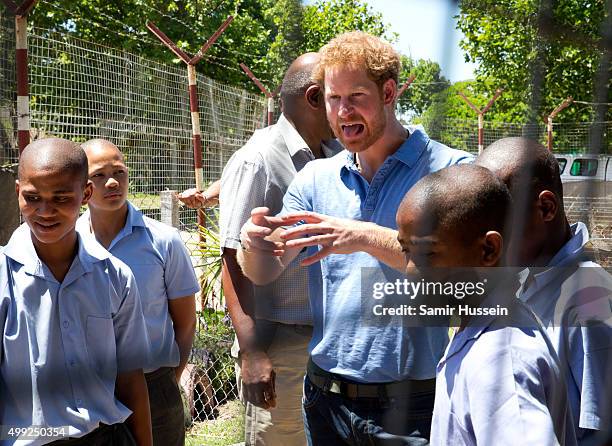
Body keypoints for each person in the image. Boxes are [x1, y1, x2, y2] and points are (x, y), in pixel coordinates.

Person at [239, 32, 472, 444]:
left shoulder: (450, 172)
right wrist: (254, 246)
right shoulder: (315, 178)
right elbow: (264, 271)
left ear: (389, 92)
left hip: (412, 405)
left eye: (356, 96)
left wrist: (365, 236)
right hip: (325, 400)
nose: (343, 111)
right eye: (332, 98)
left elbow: (468, 278)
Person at [182, 52, 341, 445]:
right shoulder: (259, 162)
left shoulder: (332, 153)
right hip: (280, 344)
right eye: (339, 96)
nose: (346, 108)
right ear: (315, 97)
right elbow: (232, 260)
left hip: (325, 339)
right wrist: (252, 353)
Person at [396, 163, 577, 445]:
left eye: (427, 253)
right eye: (405, 250)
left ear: (488, 250)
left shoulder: (500, 361)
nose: (410, 271)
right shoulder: (479, 328)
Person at [0, 138, 152, 445]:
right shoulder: (4, 277)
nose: (45, 211)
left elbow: (130, 377)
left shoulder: (115, 277)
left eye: (60, 198)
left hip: (106, 437)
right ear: (18, 192)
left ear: (85, 194)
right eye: (32, 197)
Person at [476, 137, 612, 444]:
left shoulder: (590, 298)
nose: (487, 239)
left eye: (498, 223)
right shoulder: (525, 277)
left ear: (546, 207)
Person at [76, 139, 199, 446]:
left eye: (119, 172)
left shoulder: (164, 241)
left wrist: (169, 380)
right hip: (88, 390)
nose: (113, 181)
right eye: (100, 175)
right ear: (83, 186)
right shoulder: (69, 243)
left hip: (154, 386)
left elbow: (184, 322)